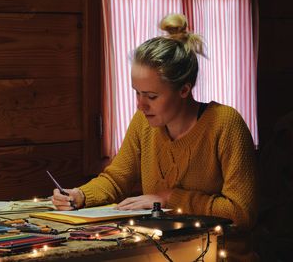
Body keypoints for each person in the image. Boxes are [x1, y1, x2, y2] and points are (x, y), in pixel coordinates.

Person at [52, 13, 258, 259]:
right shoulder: (144, 122)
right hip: (158, 253)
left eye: (151, 96)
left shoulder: (225, 124)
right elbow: (117, 178)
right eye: (136, 93)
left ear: (184, 89)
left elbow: (241, 213)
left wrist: (169, 198)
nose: (141, 105)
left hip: (219, 255)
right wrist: (81, 195)